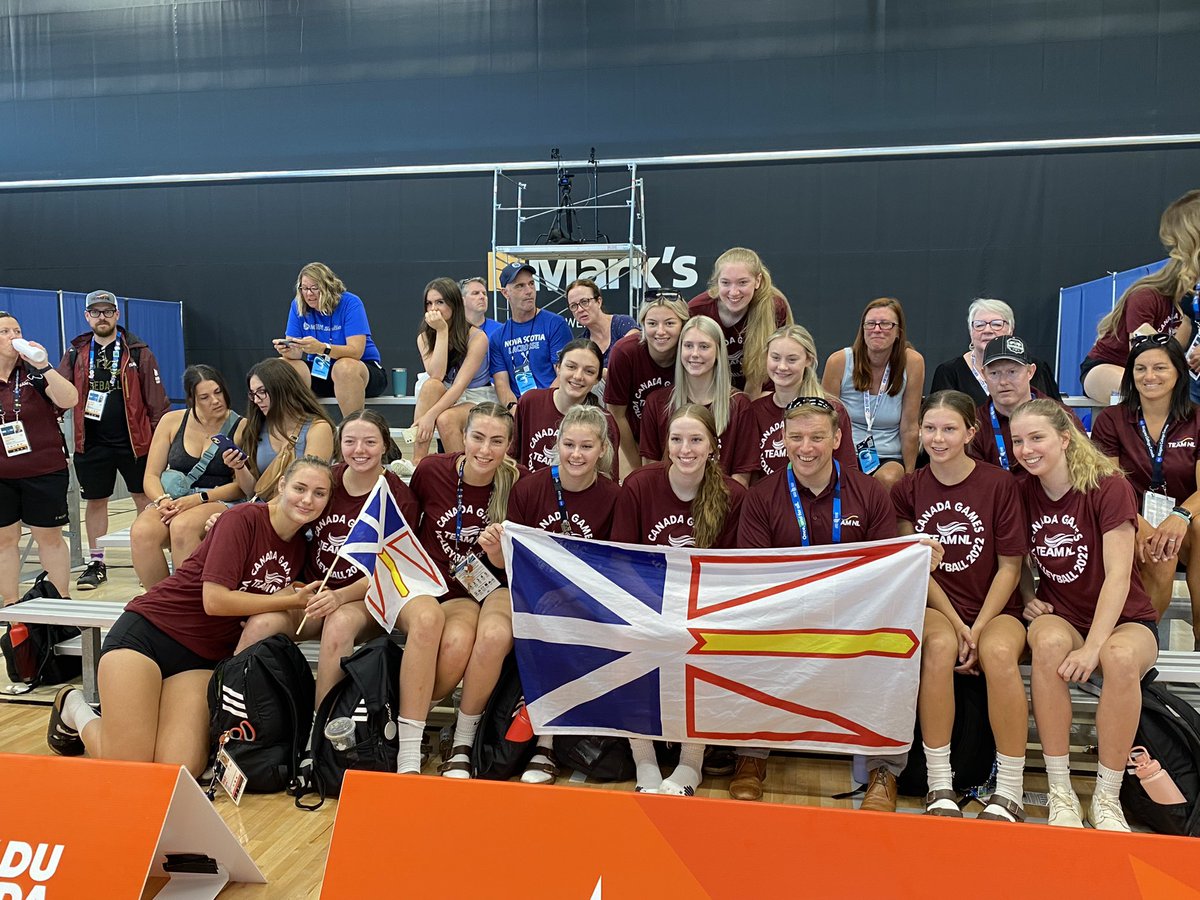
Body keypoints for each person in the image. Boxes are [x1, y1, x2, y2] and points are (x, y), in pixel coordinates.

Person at [45, 457, 333, 776]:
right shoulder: (242, 519)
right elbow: (215, 601)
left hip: (202, 660)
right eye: (300, 488)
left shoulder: (303, 548)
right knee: (131, 766)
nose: (307, 499)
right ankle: (74, 707)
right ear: (281, 485)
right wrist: (283, 601)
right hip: (149, 636)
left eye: (319, 493)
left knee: (178, 769)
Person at [735, 396, 902, 807]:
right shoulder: (761, 497)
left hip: (856, 616)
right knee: (743, 638)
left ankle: (883, 767)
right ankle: (751, 755)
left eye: (816, 437)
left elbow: (886, 572)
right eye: (796, 437)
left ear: (837, 438)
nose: (805, 447)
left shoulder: (869, 493)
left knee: (895, 649)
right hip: (787, 614)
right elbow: (757, 576)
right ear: (783, 439)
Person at [1010, 399, 1159, 831]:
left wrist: (1094, 648)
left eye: (1037, 438)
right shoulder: (1021, 489)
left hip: (1125, 618)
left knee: (1119, 659)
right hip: (1064, 614)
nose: (1026, 449)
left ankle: (1107, 798)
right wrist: (1026, 595)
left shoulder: (1109, 486)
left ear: (1064, 437)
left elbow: (1117, 577)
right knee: (1048, 643)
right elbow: (1013, 556)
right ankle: (1061, 791)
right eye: (1018, 440)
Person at [235, 412, 423, 737]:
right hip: (311, 591)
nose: (359, 449)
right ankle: (235, 721)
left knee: (339, 623)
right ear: (340, 445)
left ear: (384, 446)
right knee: (262, 622)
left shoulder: (398, 497)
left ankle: (320, 737)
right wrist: (227, 520)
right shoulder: (327, 481)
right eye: (350, 441)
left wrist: (339, 596)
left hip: (367, 597)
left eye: (369, 441)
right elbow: (282, 513)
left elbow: (389, 571)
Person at [892, 391, 1030, 821]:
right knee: (937, 647)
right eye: (929, 428)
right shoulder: (908, 488)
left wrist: (979, 625)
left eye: (949, 428)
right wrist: (957, 624)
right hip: (936, 605)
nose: (937, 438)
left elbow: (1010, 567)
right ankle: (939, 782)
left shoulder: (999, 484)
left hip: (994, 608)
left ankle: (1009, 788)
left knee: (1000, 652)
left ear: (971, 432)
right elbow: (917, 569)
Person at [479, 405, 622, 783]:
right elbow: (511, 562)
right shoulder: (529, 488)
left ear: (603, 449)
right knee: (545, 624)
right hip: (531, 593)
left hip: (587, 598)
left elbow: (613, 566)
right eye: (569, 444)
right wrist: (496, 549)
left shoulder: (613, 496)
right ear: (555, 445)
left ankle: (546, 745)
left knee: (570, 626)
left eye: (587, 447)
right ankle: (485, 740)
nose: (576, 454)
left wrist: (573, 596)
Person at [612, 405, 746, 794]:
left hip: (704, 606)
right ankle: (645, 759)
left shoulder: (732, 495)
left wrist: (692, 611)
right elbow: (620, 560)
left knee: (701, 642)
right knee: (630, 642)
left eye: (695, 440)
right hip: (645, 602)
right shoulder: (639, 484)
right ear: (666, 444)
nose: (685, 449)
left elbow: (734, 571)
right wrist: (649, 610)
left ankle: (691, 762)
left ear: (712, 447)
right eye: (676, 439)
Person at [406, 402, 522, 779]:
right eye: (478, 438)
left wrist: (496, 553)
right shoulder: (431, 471)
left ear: (509, 444)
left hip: (474, 592)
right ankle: (408, 728)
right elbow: (406, 528)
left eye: (497, 441)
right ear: (463, 437)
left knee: (458, 645)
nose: (485, 450)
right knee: (434, 634)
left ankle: (440, 731)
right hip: (427, 582)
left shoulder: (517, 482)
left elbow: (513, 565)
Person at [60, 290, 171, 591]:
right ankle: (97, 563)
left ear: (117, 315)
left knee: (143, 499)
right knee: (95, 502)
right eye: (95, 312)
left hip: (134, 442)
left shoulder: (137, 351)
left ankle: (145, 558)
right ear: (86, 317)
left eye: (107, 311)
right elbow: (59, 394)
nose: (102, 317)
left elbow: (157, 403)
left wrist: (161, 442)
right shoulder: (76, 353)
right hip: (92, 443)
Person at [1091, 334, 1200, 635]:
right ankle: (1140, 643)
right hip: (1126, 519)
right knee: (1161, 555)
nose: (1149, 376)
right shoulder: (1111, 420)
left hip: (1183, 522)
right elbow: (1107, 484)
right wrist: (1135, 522)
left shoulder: (1197, 419)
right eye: (1140, 369)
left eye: (1160, 368)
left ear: (1178, 371)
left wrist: (1179, 516)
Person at [130, 365, 246, 588]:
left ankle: (188, 602)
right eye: (205, 397)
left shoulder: (242, 427)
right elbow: (151, 476)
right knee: (142, 531)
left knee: (182, 526)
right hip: (175, 498)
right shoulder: (171, 421)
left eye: (218, 392)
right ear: (192, 399)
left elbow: (242, 486)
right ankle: (161, 602)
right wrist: (162, 501)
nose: (215, 401)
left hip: (219, 498)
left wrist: (197, 499)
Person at [1081, 190, 1200, 404]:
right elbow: (1145, 357)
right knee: (1153, 382)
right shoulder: (1146, 296)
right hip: (1108, 366)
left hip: (1162, 370)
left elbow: (1180, 350)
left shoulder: (1189, 304)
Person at [0, 311, 79, 606]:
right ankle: (12, 607)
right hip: (2, 475)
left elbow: (70, 399)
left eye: (17, 330)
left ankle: (60, 604)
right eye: (5, 332)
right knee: (5, 542)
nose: (13, 337)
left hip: (44, 470)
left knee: (49, 537)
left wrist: (43, 365)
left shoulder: (34, 372)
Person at [639, 316, 758, 486]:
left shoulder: (739, 405)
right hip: (669, 506)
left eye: (704, 346)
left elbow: (741, 478)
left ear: (718, 351)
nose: (694, 354)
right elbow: (650, 470)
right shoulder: (657, 403)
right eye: (688, 346)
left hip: (721, 506)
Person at [822, 297, 924, 492]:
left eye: (885, 324)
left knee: (888, 478)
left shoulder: (912, 362)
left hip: (889, 454)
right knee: (847, 480)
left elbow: (910, 426)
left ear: (898, 332)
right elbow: (826, 421)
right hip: (845, 451)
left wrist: (910, 478)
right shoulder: (839, 362)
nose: (877, 329)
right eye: (871, 324)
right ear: (862, 329)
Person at [274, 261, 387, 416]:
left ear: (328, 287)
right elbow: (296, 355)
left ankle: (352, 431)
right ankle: (295, 429)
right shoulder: (298, 305)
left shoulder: (350, 303)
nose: (309, 294)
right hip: (322, 372)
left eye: (315, 288)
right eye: (304, 288)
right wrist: (287, 349)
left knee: (344, 367)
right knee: (281, 366)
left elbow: (356, 352)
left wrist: (322, 348)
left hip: (361, 371)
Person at [968, 336, 1083, 482]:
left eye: (1012, 372)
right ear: (984, 374)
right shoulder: (975, 424)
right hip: (999, 501)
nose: (1003, 382)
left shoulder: (1061, 415)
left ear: (1030, 372)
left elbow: (1083, 466)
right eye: (994, 373)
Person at [749, 324, 856, 480]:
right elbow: (750, 474)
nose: (782, 366)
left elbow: (848, 472)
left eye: (792, 359)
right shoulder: (755, 411)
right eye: (775, 357)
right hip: (769, 502)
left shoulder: (832, 410)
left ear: (808, 360)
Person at [605, 291, 689, 478]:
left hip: (683, 442)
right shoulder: (625, 352)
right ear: (642, 324)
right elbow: (616, 414)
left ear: (683, 325)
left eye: (669, 323)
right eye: (652, 323)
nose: (660, 331)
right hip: (634, 440)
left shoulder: (691, 353)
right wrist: (638, 466)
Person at [688, 247, 792, 398]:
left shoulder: (773, 307)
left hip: (761, 390)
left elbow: (783, 359)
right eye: (726, 283)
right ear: (717, 282)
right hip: (710, 393)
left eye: (742, 283)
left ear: (758, 280)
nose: (734, 292)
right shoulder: (697, 309)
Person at [410, 278, 493, 462]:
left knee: (445, 419)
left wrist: (430, 416)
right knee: (431, 385)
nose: (434, 309)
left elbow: (459, 387)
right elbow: (437, 375)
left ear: (454, 303)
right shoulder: (424, 337)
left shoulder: (478, 337)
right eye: (429, 303)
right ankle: (416, 461)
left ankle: (462, 475)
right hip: (443, 391)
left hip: (474, 396)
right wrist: (441, 332)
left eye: (440, 302)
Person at [514, 339, 621, 477]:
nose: (578, 376)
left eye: (589, 371)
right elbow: (513, 456)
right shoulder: (530, 402)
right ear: (558, 368)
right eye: (571, 367)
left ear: (597, 379)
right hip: (531, 495)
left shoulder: (605, 422)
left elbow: (608, 477)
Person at [234, 358, 335, 502]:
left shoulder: (318, 428)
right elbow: (255, 492)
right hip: (262, 509)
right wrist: (239, 467)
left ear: (283, 389)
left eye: (262, 392)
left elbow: (307, 486)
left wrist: (258, 513)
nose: (256, 400)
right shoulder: (257, 426)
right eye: (253, 394)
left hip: (297, 510)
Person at [929, 298, 1062, 406]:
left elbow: (1059, 413)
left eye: (997, 324)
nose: (987, 330)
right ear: (971, 331)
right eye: (979, 325)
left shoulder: (1037, 367)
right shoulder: (949, 372)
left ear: (1011, 329)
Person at [489, 262, 573, 408]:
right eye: (520, 286)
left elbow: (563, 375)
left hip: (554, 404)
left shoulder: (555, 324)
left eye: (531, 284)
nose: (529, 291)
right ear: (505, 293)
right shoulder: (498, 337)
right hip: (519, 410)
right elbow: (502, 384)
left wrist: (542, 408)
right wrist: (515, 410)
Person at [565, 278, 639, 371]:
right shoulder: (581, 343)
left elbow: (636, 359)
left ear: (599, 301)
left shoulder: (623, 324)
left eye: (584, 302)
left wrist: (598, 373)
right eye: (573, 306)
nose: (579, 310)